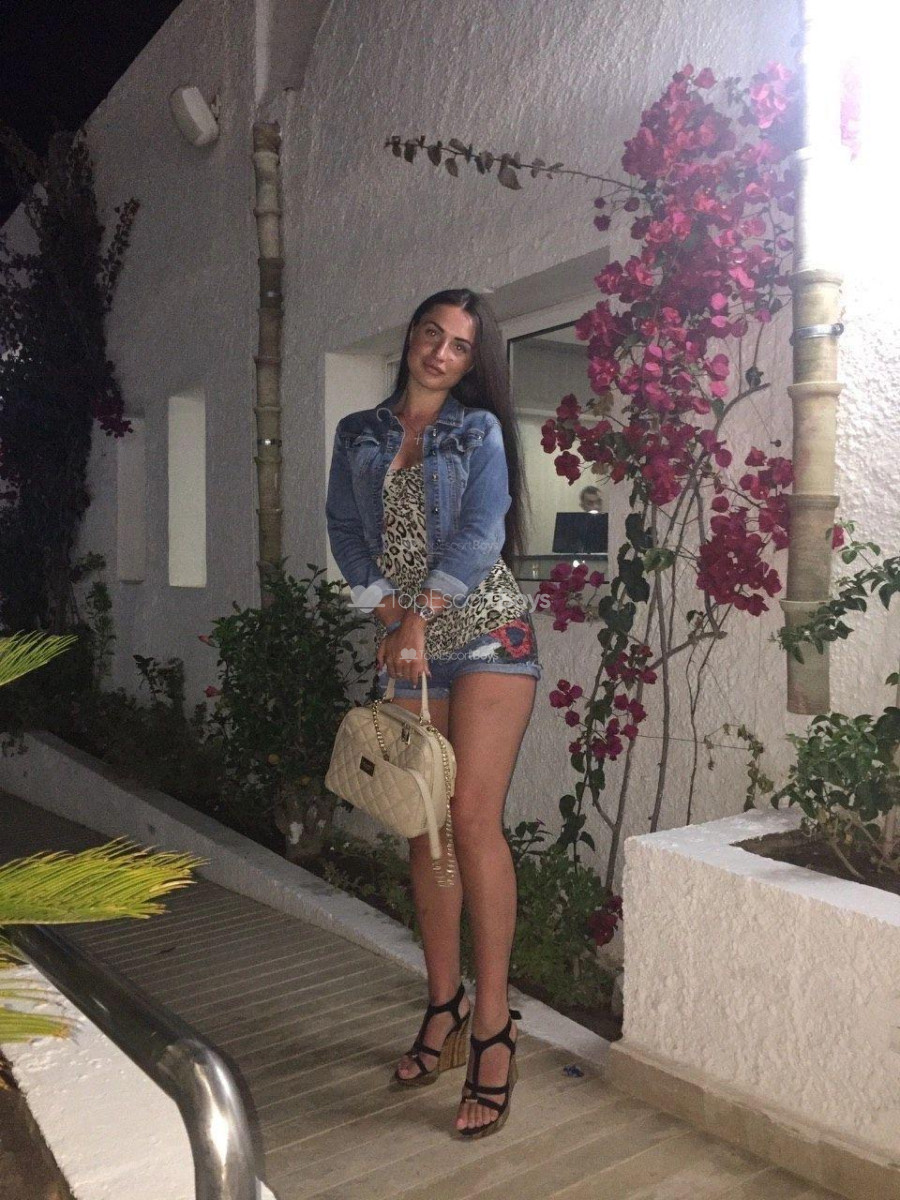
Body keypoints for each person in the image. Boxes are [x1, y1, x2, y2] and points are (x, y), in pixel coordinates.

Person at [326, 288, 542, 1139]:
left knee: (472, 821)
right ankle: (443, 1005)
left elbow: (483, 532)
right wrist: (386, 613)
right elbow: (346, 530)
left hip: (485, 633)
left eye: (459, 345)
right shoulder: (359, 434)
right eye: (431, 334)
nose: (440, 352)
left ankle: (492, 1025)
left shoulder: (477, 431)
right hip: (409, 644)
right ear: (411, 337)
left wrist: (419, 616)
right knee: (425, 828)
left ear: (471, 360)